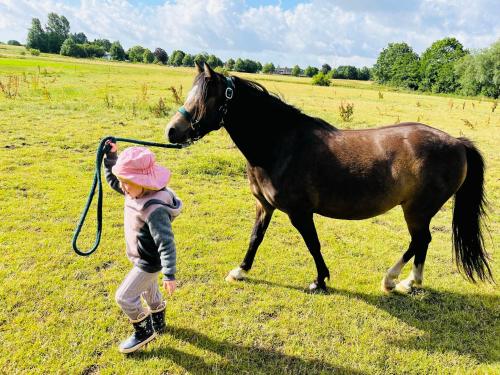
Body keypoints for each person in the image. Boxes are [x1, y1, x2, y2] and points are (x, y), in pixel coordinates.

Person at [103, 141, 182, 353]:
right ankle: (159, 321)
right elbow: (113, 181)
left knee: (124, 297)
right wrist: (111, 157)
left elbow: (166, 243)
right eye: (123, 181)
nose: (122, 187)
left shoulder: (154, 209)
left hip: (148, 262)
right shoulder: (134, 190)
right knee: (149, 291)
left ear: (144, 182)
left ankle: (144, 332)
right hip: (142, 258)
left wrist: (170, 274)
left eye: (127, 182)